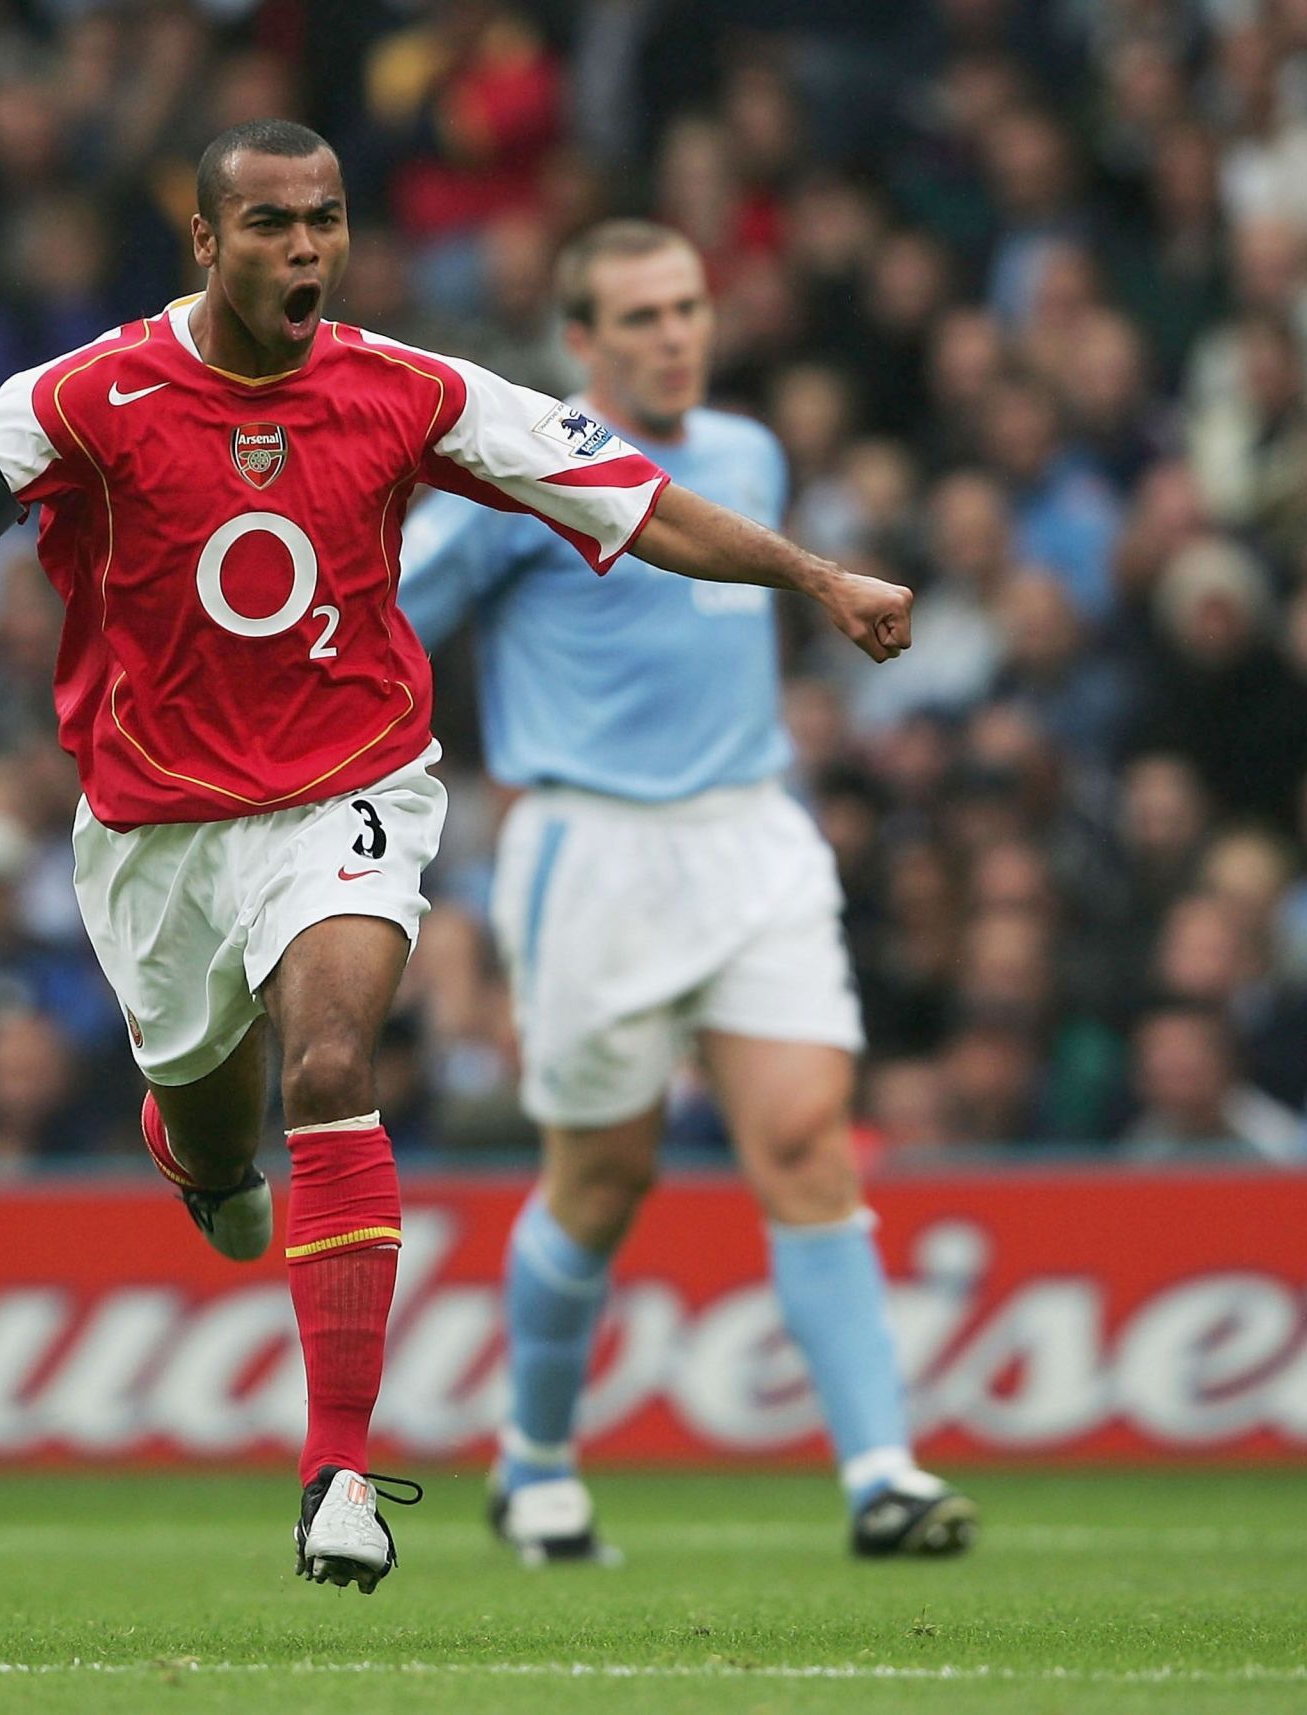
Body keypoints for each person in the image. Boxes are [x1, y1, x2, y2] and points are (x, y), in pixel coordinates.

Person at [0, 122, 913, 1592]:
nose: (306, 250)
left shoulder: (412, 389)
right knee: (224, 1141)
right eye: (274, 225)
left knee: (334, 1063)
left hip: (348, 789)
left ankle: (340, 1474)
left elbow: (637, 498)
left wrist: (817, 579)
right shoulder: (84, 399)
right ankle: (201, 1154)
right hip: (155, 832)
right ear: (206, 241)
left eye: (328, 222)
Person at [400, 219, 974, 1562]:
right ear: (582, 341)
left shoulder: (750, 453)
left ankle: (881, 1475)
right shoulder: (518, 479)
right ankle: (534, 1460)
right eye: (642, 316)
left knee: (808, 1144)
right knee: (603, 1183)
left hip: (751, 836)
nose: (675, 334)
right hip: (593, 854)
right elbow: (380, 615)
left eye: (690, 307)